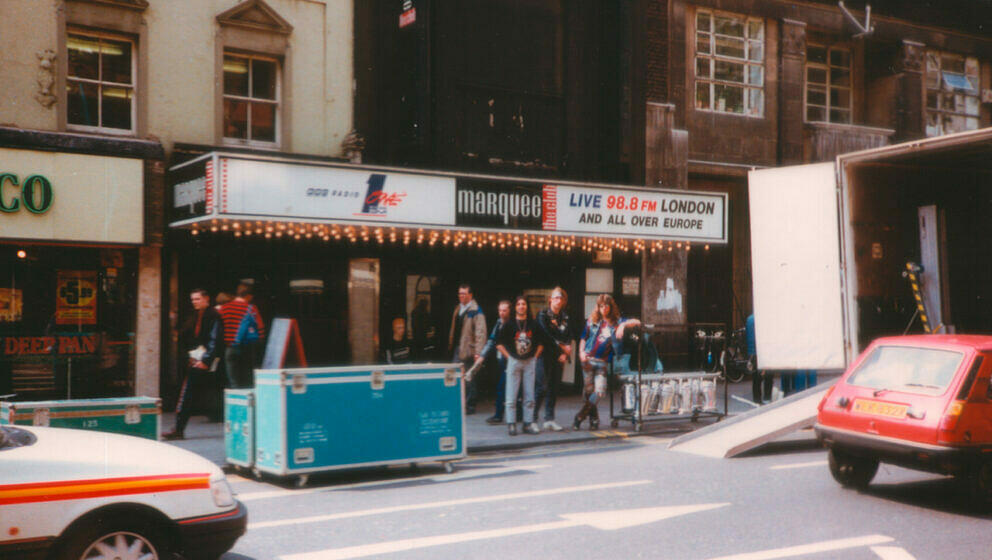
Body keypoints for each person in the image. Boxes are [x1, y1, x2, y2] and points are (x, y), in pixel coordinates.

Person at [575, 294, 640, 430]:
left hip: (602, 363)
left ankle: (580, 416)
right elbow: (583, 338)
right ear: (598, 307)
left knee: (599, 392)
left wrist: (623, 325)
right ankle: (594, 421)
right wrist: (581, 352)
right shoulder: (591, 321)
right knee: (588, 392)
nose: (603, 308)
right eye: (601, 306)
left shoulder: (616, 322)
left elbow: (637, 322)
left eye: (606, 306)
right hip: (588, 360)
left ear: (611, 306)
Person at [164, 288, 221, 440]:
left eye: (197, 299)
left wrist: (206, 360)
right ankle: (179, 428)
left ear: (206, 299)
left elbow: (214, 340)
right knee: (191, 392)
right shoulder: (195, 315)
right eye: (193, 300)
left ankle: (179, 429)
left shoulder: (213, 315)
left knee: (188, 393)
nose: (194, 302)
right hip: (196, 358)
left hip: (204, 360)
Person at [496, 296, 544, 435]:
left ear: (527, 307)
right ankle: (511, 424)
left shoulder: (533, 324)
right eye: (519, 304)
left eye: (524, 304)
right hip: (514, 361)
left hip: (529, 361)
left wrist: (534, 357)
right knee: (511, 394)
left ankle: (527, 423)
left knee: (529, 395)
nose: (521, 306)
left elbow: (541, 343)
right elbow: (498, 343)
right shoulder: (509, 324)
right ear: (515, 307)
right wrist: (509, 357)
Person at [534, 287, 575, 432]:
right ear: (550, 299)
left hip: (560, 357)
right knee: (541, 387)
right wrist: (561, 350)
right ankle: (532, 419)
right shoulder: (543, 315)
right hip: (545, 355)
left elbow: (568, 335)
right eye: (556, 297)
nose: (558, 300)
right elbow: (546, 336)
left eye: (561, 298)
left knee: (553, 387)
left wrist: (566, 350)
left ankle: (549, 419)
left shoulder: (565, 316)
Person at [475, 300, 519, 425]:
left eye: (504, 310)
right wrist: (482, 355)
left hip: (510, 358)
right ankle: (503, 414)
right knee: (502, 386)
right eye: (500, 310)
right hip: (501, 359)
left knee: (504, 387)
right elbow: (492, 340)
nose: (501, 313)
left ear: (510, 311)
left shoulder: (512, 324)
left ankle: (500, 415)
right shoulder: (499, 323)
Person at [449, 284, 486, 414]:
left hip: (469, 349)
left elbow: (481, 333)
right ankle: (459, 403)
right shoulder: (458, 308)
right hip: (458, 347)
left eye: (464, 293)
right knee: (456, 375)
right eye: (459, 293)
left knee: (469, 378)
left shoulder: (476, 310)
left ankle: (470, 406)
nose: (461, 296)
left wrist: (478, 352)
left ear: (470, 295)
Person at [219, 283, 265, 389]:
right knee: (248, 380)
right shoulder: (251, 308)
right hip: (247, 348)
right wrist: (259, 342)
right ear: (249, 296)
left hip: (229, 348)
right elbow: (260, 328)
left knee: (233, 382)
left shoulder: (224, 308)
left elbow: (218, 329)